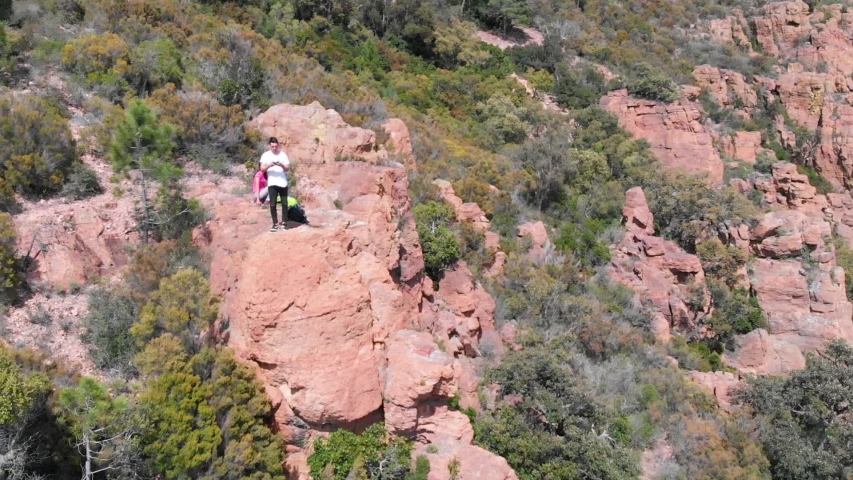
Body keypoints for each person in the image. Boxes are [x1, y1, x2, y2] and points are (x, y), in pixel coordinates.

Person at [259, 137, 291, 231]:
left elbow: (287, 168)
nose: (274, 148)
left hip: (283, 182)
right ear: (270, 145)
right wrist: (269, 165)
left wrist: (281, 165)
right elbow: (262, 169)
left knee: (284, 203)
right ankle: (275, 223)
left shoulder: (283, 155)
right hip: (272, 183)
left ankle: (284, 223)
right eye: (272, 146)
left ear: (278, 145)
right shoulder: (265, 155)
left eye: (276, 146)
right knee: (272, 204)